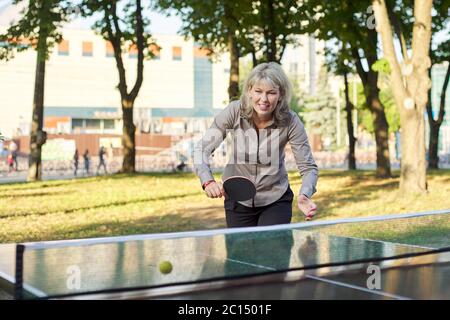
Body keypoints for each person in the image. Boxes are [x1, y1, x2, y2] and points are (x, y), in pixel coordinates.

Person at [194, 62, 318, 228]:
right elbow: (201, 149)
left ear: (280, 94)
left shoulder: (291, 121)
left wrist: (305, 194)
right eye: (258, 91)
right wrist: (208, 181)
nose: (264, 99)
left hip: (276, 200)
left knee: (271, 252)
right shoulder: (234, 111)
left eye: (271, 93)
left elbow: (308, 167)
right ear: (249, 91)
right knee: (239, 254)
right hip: (237, 198)